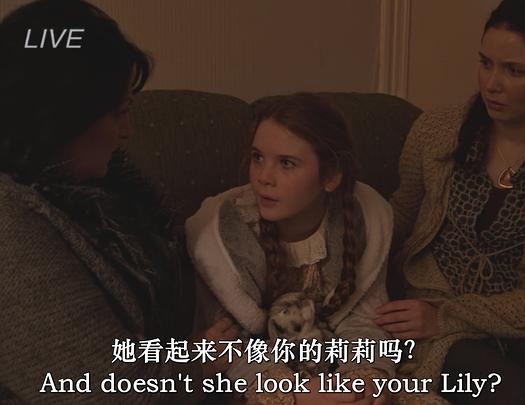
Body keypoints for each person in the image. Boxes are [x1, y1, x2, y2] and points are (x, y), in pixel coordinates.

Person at [0, 0, 237, 403]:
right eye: (118, 113)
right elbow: (103, 388)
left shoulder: (103, 189)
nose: (127, 131)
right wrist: (200, 362)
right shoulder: (12, 225)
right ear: (62, 117)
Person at [376, 0, 525, 404]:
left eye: (514, 71)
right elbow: (399, 216)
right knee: (515, 395)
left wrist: (453, 317)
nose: (491, 84)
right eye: (485, 63)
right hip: (433, 305)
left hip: (516, 315)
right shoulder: (436, 131)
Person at [186, 93, 394, 405]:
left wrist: (363, 377)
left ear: (331, 175)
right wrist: (294, 394)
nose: (263, 177)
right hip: (257, 380)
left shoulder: (366, 221)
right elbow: (226, 344)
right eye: (257, 157)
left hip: (333, 368)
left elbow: (363, 319)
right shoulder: (220, 238)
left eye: (286, 163)